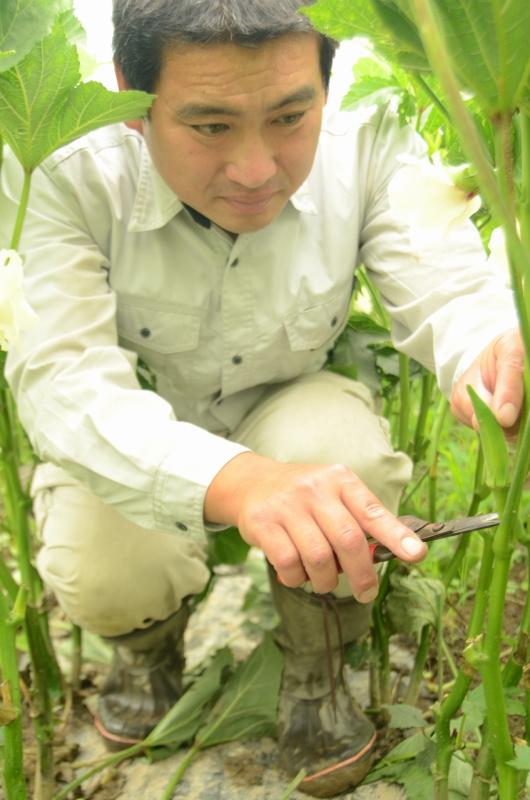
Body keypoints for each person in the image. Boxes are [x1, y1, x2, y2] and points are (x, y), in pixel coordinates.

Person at [1, 0, 523, 796]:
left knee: (342, 464)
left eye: (289, 116)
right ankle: (150, 647)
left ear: (325, 82)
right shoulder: (61, 169)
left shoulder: (369, 141)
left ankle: (317, 666)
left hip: (288, 395)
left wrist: (493, 356)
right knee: (105, 568)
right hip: (140, 415)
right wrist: (239, 484)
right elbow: (66, 382)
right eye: (209, 126)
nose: (255, 168)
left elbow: (448, 290)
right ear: (131, 101)